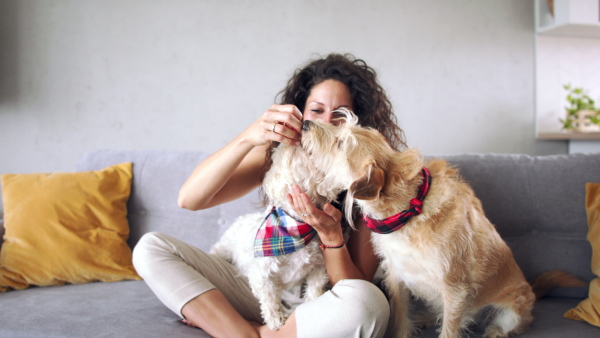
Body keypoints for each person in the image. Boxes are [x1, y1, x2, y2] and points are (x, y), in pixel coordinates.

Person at [132, 53, 407, 338]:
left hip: (317, 306)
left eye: (339, 115)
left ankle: (259, 333)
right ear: (300, 115)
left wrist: (332, 238)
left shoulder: (367, 179)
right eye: (316, 111)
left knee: (370, 303)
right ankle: (247, 333)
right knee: (150, 247)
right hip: (256, 289)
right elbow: (189, 199)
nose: (324, 124)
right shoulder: (275, 154)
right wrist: (250, 136)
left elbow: (355, 286)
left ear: (356, 124)